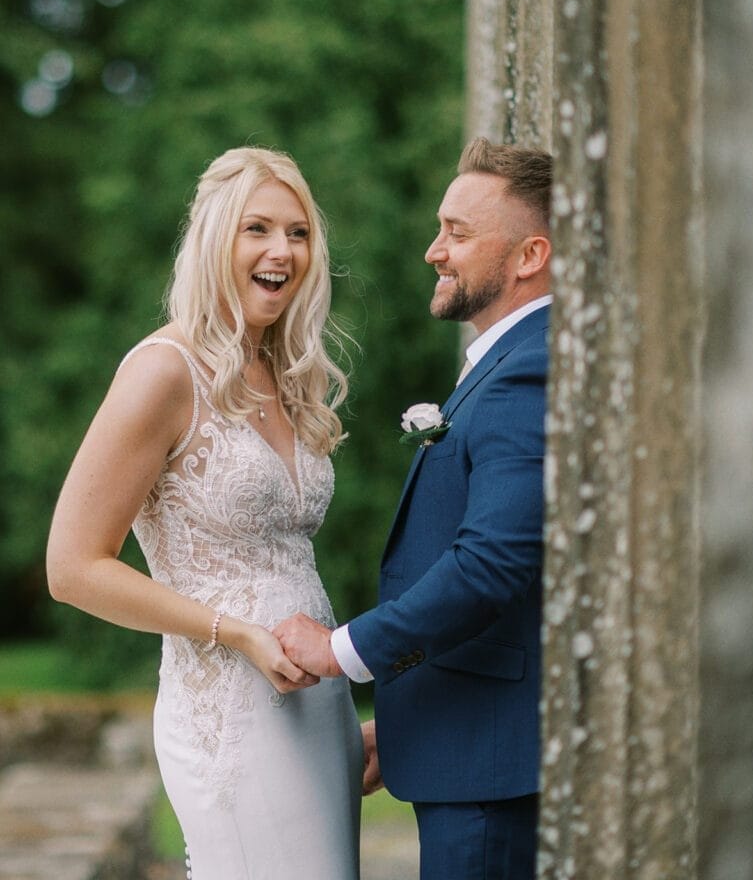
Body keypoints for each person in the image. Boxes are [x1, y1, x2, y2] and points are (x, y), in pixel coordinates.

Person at [46, 147, 363, 880]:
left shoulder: (285, 374)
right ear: (215, 239)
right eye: (257, 228)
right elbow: (72, 567)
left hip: (320, 704)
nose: (281, 250)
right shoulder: (163, 370)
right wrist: (237, 633)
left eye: (298, 232)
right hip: (227, 706)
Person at [275, 137, 552, 879]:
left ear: (528, 257)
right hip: (465, 748)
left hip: (490, 776)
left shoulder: (530, 368)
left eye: (457, 233)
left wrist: (340, 654)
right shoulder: (507, 362)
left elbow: (493, 564)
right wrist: (402, 724)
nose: (434, 250)